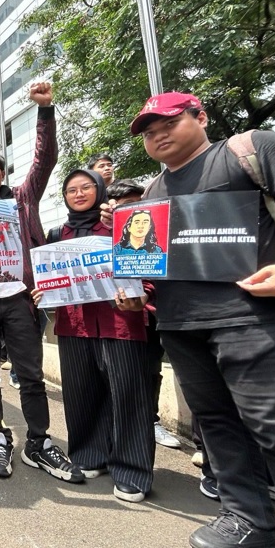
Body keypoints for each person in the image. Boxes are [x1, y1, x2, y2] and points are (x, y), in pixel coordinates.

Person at [116, 91, 275, 548]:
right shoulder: (152, 194)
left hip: (254, 317)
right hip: (181, 324)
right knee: (217, 428)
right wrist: (136, 292)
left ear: (199, 116)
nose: (156, 134)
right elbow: (151, 263)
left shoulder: (250, 150)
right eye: (147, 131)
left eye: (167, 123)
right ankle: (250, 523)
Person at [0, 82, 84, 484]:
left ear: (3, 173)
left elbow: (45, 160)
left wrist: (45, 111)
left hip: (21, 299)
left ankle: (38, 443)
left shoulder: (22, 200)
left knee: (31, 374)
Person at [33, 169, 155, 502]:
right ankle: (88, 455)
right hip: (73, 325)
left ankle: (132, 471)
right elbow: (49, 276)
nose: (79, 193)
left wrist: (142, 294)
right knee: (81, 393)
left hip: (121, 322)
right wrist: (44, 292)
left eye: (87, 187)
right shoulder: (59, 233)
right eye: (71, 189)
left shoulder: (120, 225)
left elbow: (146, 265)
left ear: (100, 191)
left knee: (129, 397)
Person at [107, 179, 182, 451]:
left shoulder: (159, 235)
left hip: (152, 316)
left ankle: (150, 422)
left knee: (150, 373)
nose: (137, 215)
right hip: (115, 321)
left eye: (139, 205)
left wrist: (147, 297)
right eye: (127, 207)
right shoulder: (103, 235)